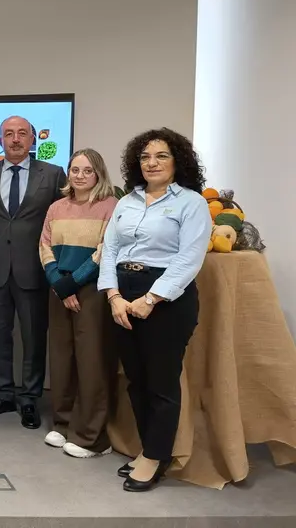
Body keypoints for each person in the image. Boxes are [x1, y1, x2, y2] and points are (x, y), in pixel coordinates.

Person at [98, 128, 209, 492]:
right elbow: (109, 249)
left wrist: (151, 299)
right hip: (122, 292)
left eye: (161, 155)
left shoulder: (191, 203)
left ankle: (156, 456)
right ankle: (150, 449)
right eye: (146, 156)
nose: (152, 162)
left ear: (178, 161)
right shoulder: (126, 202)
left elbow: (189, 259)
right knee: (136, 379)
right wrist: (114, 296)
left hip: (166, 299)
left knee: (161, 383)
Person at [0, 115, 67, 429]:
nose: (15, 139)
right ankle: (3, 394)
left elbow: (60, 222)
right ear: (0, 141)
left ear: (32, 140)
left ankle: (29, 399)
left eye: (22, 134)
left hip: (34, 269)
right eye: (9, 134)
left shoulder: (53, 175)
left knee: (33, 338)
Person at [39, 149, 119, 457]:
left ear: (98, 174)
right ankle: (63, 424)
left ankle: (92, 437)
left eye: (87, 170)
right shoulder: (57, 207)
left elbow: (105, 249)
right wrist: (59, 282)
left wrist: (74, 282)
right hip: (59, 289)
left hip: (92, 290)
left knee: (91, 361)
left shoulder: (110, 207)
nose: (80, 176)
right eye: (75, 170)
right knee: (62, 359)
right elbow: (44, 244)